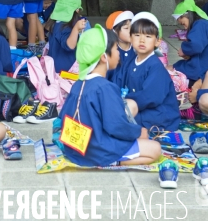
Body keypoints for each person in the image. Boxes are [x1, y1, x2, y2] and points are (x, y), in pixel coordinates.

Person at [60, 25, 161, 168]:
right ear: (103, 57)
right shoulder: (105, 88)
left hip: (75, 148)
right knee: (155, 149)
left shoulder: (78, 83)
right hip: (96, 150)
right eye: (115, 48)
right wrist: (138, 132)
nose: (118, 53)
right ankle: (113, 161)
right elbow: (116, 126)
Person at [118, 12, 180, 131]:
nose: (142, 40)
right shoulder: (130, 62)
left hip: (158, 114)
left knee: (121, 116)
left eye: (148, 36)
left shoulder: (155, 66)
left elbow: (151, 97)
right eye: (137, 35)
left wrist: (125, 101)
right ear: (130, 38)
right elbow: (118, 82)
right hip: (137, 107)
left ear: (157, 41)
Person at [170, 0, 208, 85]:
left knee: (173, 67)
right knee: (178, 65)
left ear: (186, 15)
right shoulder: (204, 24)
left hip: (203, 68)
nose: (184, 27)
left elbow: (196, 45)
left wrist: (184, 50)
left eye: (183, 23)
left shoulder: (200, 24)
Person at [46, 0, 87, 73]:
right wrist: (76, 29)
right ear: (77, 10)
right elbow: (69, 46)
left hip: (53, 69)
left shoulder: (56, 23)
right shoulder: (66, 27)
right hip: (66, 73)